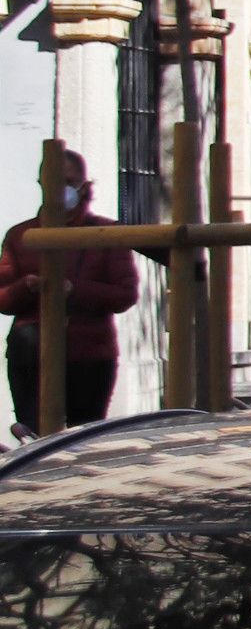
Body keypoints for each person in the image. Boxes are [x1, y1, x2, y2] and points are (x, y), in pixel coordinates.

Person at [0, 149, 137, 434]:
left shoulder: (106, 233)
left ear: (84, 186)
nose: (61, 190)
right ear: (40, 185)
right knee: (36, 440)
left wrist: (74, 290)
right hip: (31, 357)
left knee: (83, 437)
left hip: (89, 354)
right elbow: (3, 298)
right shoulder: (20, 235)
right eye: (53, 182)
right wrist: (25, 287)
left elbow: (124, 295)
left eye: (69, 182)